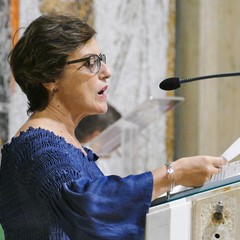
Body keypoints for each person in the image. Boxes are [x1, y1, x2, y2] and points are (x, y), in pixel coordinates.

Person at [0, 13, 226, 240]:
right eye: (91, 62)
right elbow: (88, 207)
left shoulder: (65, 143)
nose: (107, 72)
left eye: (102, 59)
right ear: (50, 78)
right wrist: (172, 175)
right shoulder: (37, 145)